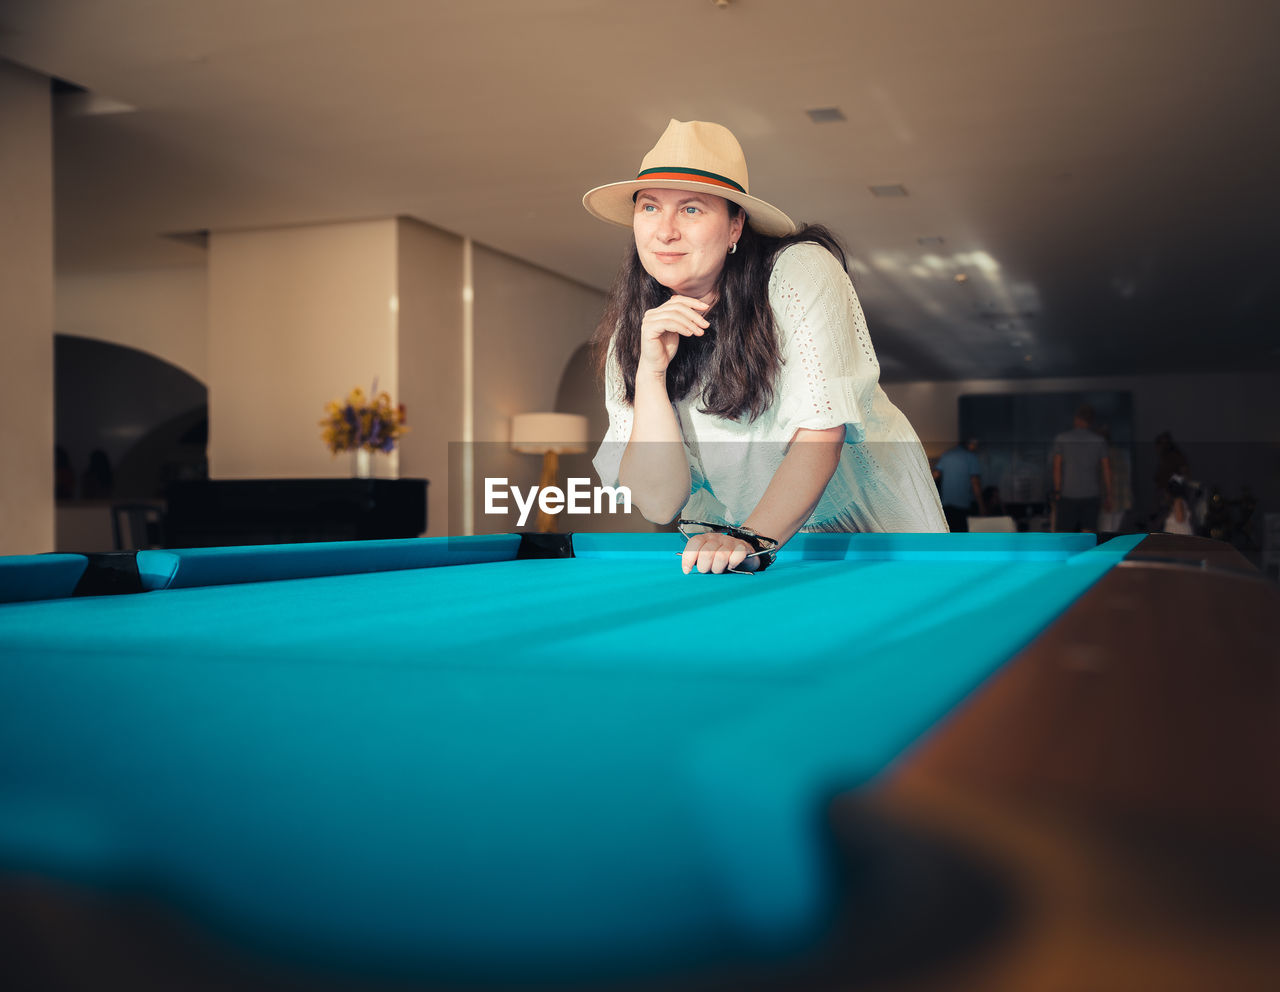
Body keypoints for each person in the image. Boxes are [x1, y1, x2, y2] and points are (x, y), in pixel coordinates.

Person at [584, 119, 945, 575]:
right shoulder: (634, 336)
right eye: (650, 207)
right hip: (739, 547)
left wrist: (751, 538)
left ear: (736, 226)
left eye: (692, 209)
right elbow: (658, 503)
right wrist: (651, 375)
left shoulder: (798, 273)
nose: (665, 231)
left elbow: (820, 436)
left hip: (864, 532)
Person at [1050, 405, 1112, 533]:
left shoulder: (1062, 439)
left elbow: (1057, 467)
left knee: (1064, 536)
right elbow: (1106, 469)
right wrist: (1109, 495)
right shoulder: (1099, 441)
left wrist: (1057, 491)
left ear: (1076, 419)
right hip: (1091, 494)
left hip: (1068, 494)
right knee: (1088, 536)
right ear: (1090, 421)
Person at [933, 439, 985, 532]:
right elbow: (975, 483)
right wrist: (981, 506)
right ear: (970, 444)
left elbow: (935, 476)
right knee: (962, 537)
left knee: (949, 535)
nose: (976, 447)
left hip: (946, 506)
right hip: (962, 506)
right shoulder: (971, 457)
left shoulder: (946, 455)